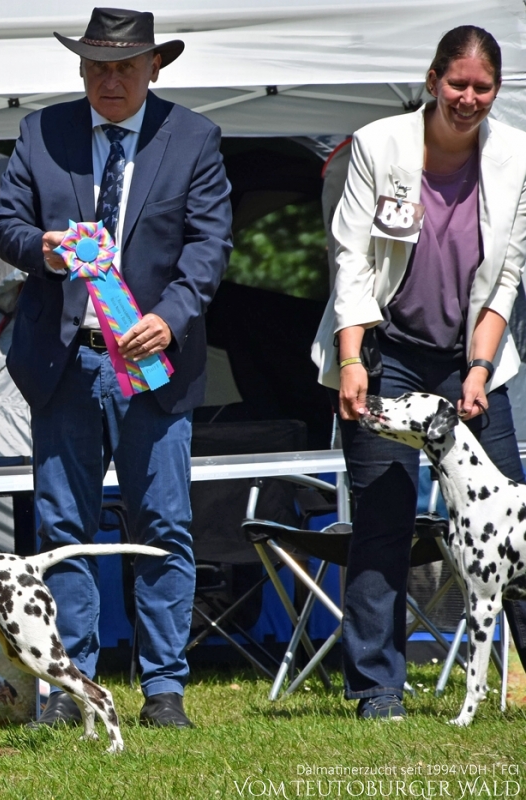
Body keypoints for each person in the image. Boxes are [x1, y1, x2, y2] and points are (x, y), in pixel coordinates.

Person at [0, 8, 231, 730]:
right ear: (79, 70)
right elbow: (6, 225)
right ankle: (72, 685)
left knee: (164, 525)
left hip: (155, 365)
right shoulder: (42, 132)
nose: (110, 79)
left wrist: (173, 316)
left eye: (124, 66)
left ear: (156, 67)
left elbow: (210, 244)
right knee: (63, 529)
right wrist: (45, 249)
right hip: (65, 363)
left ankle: (164, 689)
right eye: (96, 66)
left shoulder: (195, 137)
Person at [311, 25, 526, 720]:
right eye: (457, 83)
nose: (468, 98)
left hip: (470, 357)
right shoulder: (381, 144)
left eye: (482, 87)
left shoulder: (518, 156)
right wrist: (351, 360)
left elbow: (507, 281)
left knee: (514, 519)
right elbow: (351, 261)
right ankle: (379, 690)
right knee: (382, 520)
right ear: (434, 79)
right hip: (385, 351)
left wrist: (480, 367)